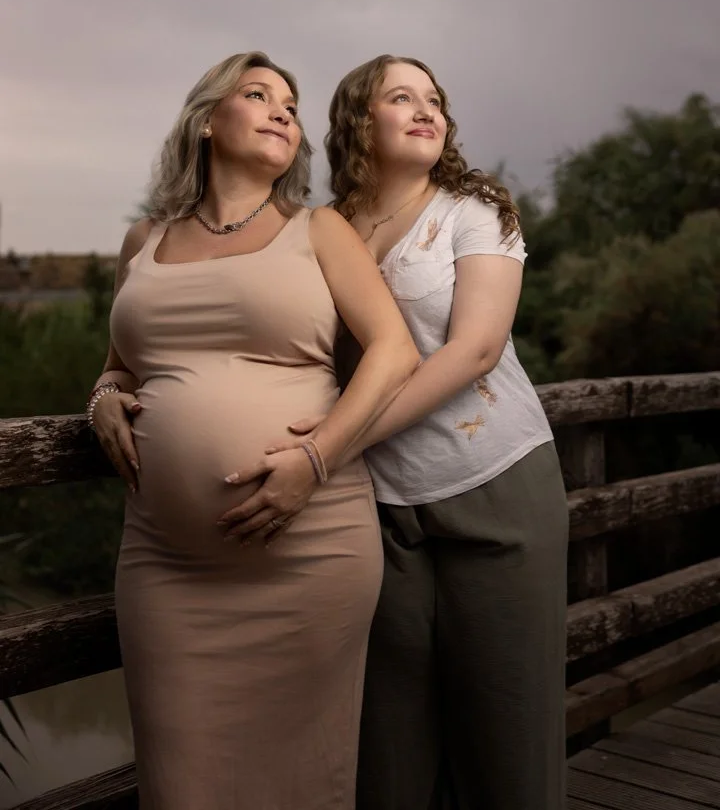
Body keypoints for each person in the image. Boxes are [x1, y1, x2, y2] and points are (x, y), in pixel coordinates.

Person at [228, 55, 569, 810]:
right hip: (377, 507)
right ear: (359, 120)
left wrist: (324, 452)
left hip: (497, 485)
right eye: (401, 97)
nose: (426, 110)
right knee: (390, 741)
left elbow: (474, 349)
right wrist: (117, 385)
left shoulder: (472, 210)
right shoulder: (327, 230)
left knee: (508, 729)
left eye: (435, 100)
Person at [86, 51, 419, 810]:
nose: (281, 110)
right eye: (258, 94)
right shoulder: (144, 241)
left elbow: (394, 352)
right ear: (208, 121)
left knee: (305, 782)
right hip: (166, 564)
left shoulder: (319, 230)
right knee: (178, 787)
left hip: (311, 548)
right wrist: (102, 399)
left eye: (291, 105)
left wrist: (315, 455)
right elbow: (118, 365)